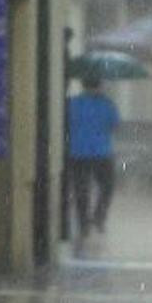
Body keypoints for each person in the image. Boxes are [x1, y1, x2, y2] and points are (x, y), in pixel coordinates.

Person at [67, 75, 120, 239]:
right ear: (100, 85)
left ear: (83, 85)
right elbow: (115, 125)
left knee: (81, 189)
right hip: (101, 152)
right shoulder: (107, 104)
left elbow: (66, 124)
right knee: (108, 186)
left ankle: (83, 225)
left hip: (78, 152)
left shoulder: (73, 103)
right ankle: (98, 216)